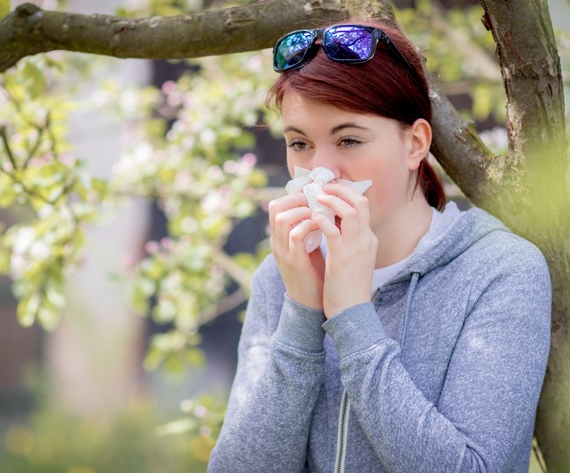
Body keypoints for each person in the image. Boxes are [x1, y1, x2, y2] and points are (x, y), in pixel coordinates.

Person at [208, 18, 551, 473]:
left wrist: (352, 320)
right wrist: (302, 316)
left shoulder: (500, 272)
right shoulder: (283, 276)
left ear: (415, 144)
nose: (321, 171)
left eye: (348, 139)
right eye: (300, 143)